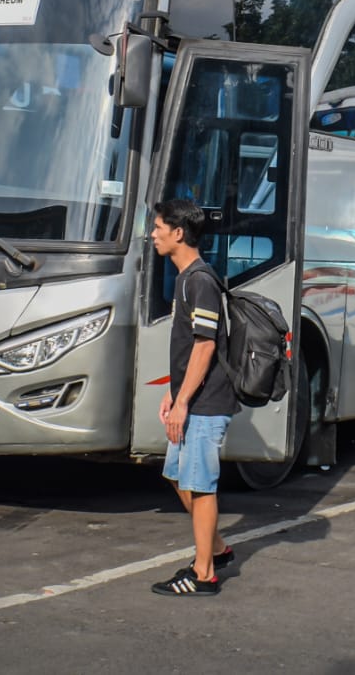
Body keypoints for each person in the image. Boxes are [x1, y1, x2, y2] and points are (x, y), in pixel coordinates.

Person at [149, 197, 238, 597]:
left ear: (178, 233)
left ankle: (204, 575)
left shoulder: (199, 280)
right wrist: (173, 392)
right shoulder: (187, 278)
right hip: (191, 399)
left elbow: (205, 346)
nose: (152, 234)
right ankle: (217, 548)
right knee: (178, 476)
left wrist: (183, 401)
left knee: (201, 487)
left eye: (158, 228)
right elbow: (188, 349)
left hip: (206, 403)